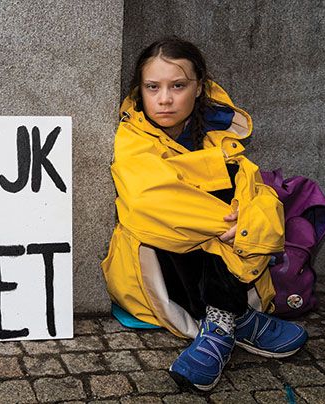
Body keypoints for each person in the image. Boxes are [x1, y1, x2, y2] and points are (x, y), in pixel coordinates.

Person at [101, 36, 308, 391]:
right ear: (140, 90)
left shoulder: (218, 136)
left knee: (231, 190)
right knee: (187, 214)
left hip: (216, 271)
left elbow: (263, 199)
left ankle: (221, 322)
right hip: (166, 275)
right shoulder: (132, 137)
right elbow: (150, 203)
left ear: (199, 88)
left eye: (178, 85)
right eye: (153, 87)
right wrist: (240, 228)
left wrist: (247, 220)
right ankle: (234, 318)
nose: (164, 99)